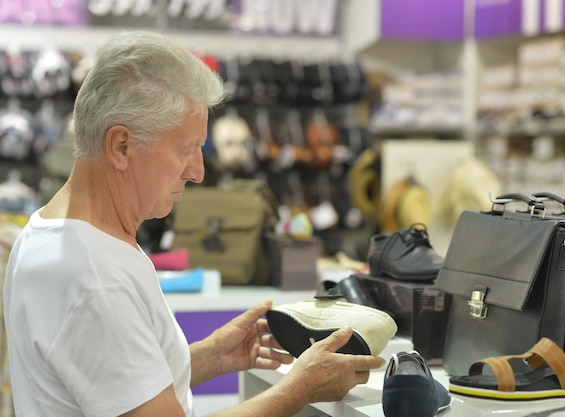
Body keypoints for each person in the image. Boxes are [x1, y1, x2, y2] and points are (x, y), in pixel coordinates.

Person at [3, 30, 385, 417]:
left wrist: (212, 357)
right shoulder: (93, 278)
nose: (199, 171)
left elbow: (108, 380)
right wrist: (299, 389)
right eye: (186, 149)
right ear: (122, 146)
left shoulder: (52, 233)